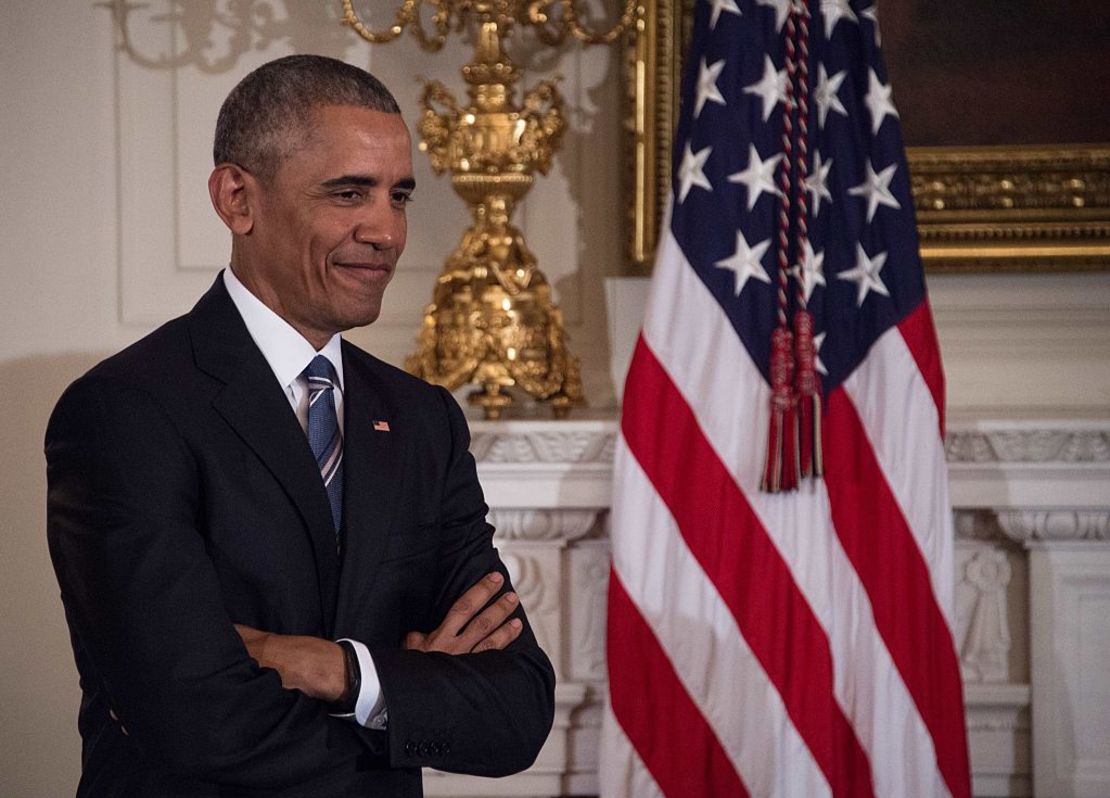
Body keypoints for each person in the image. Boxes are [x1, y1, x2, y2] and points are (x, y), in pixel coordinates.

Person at [45, 54, 555, 797]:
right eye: (349, 192)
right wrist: (404, 694)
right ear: (237, 198)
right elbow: (192, 720)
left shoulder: (422, 420)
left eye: (399, 196)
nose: (385, 230)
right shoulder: (124, 410)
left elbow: (516, 712)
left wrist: (335, 669)